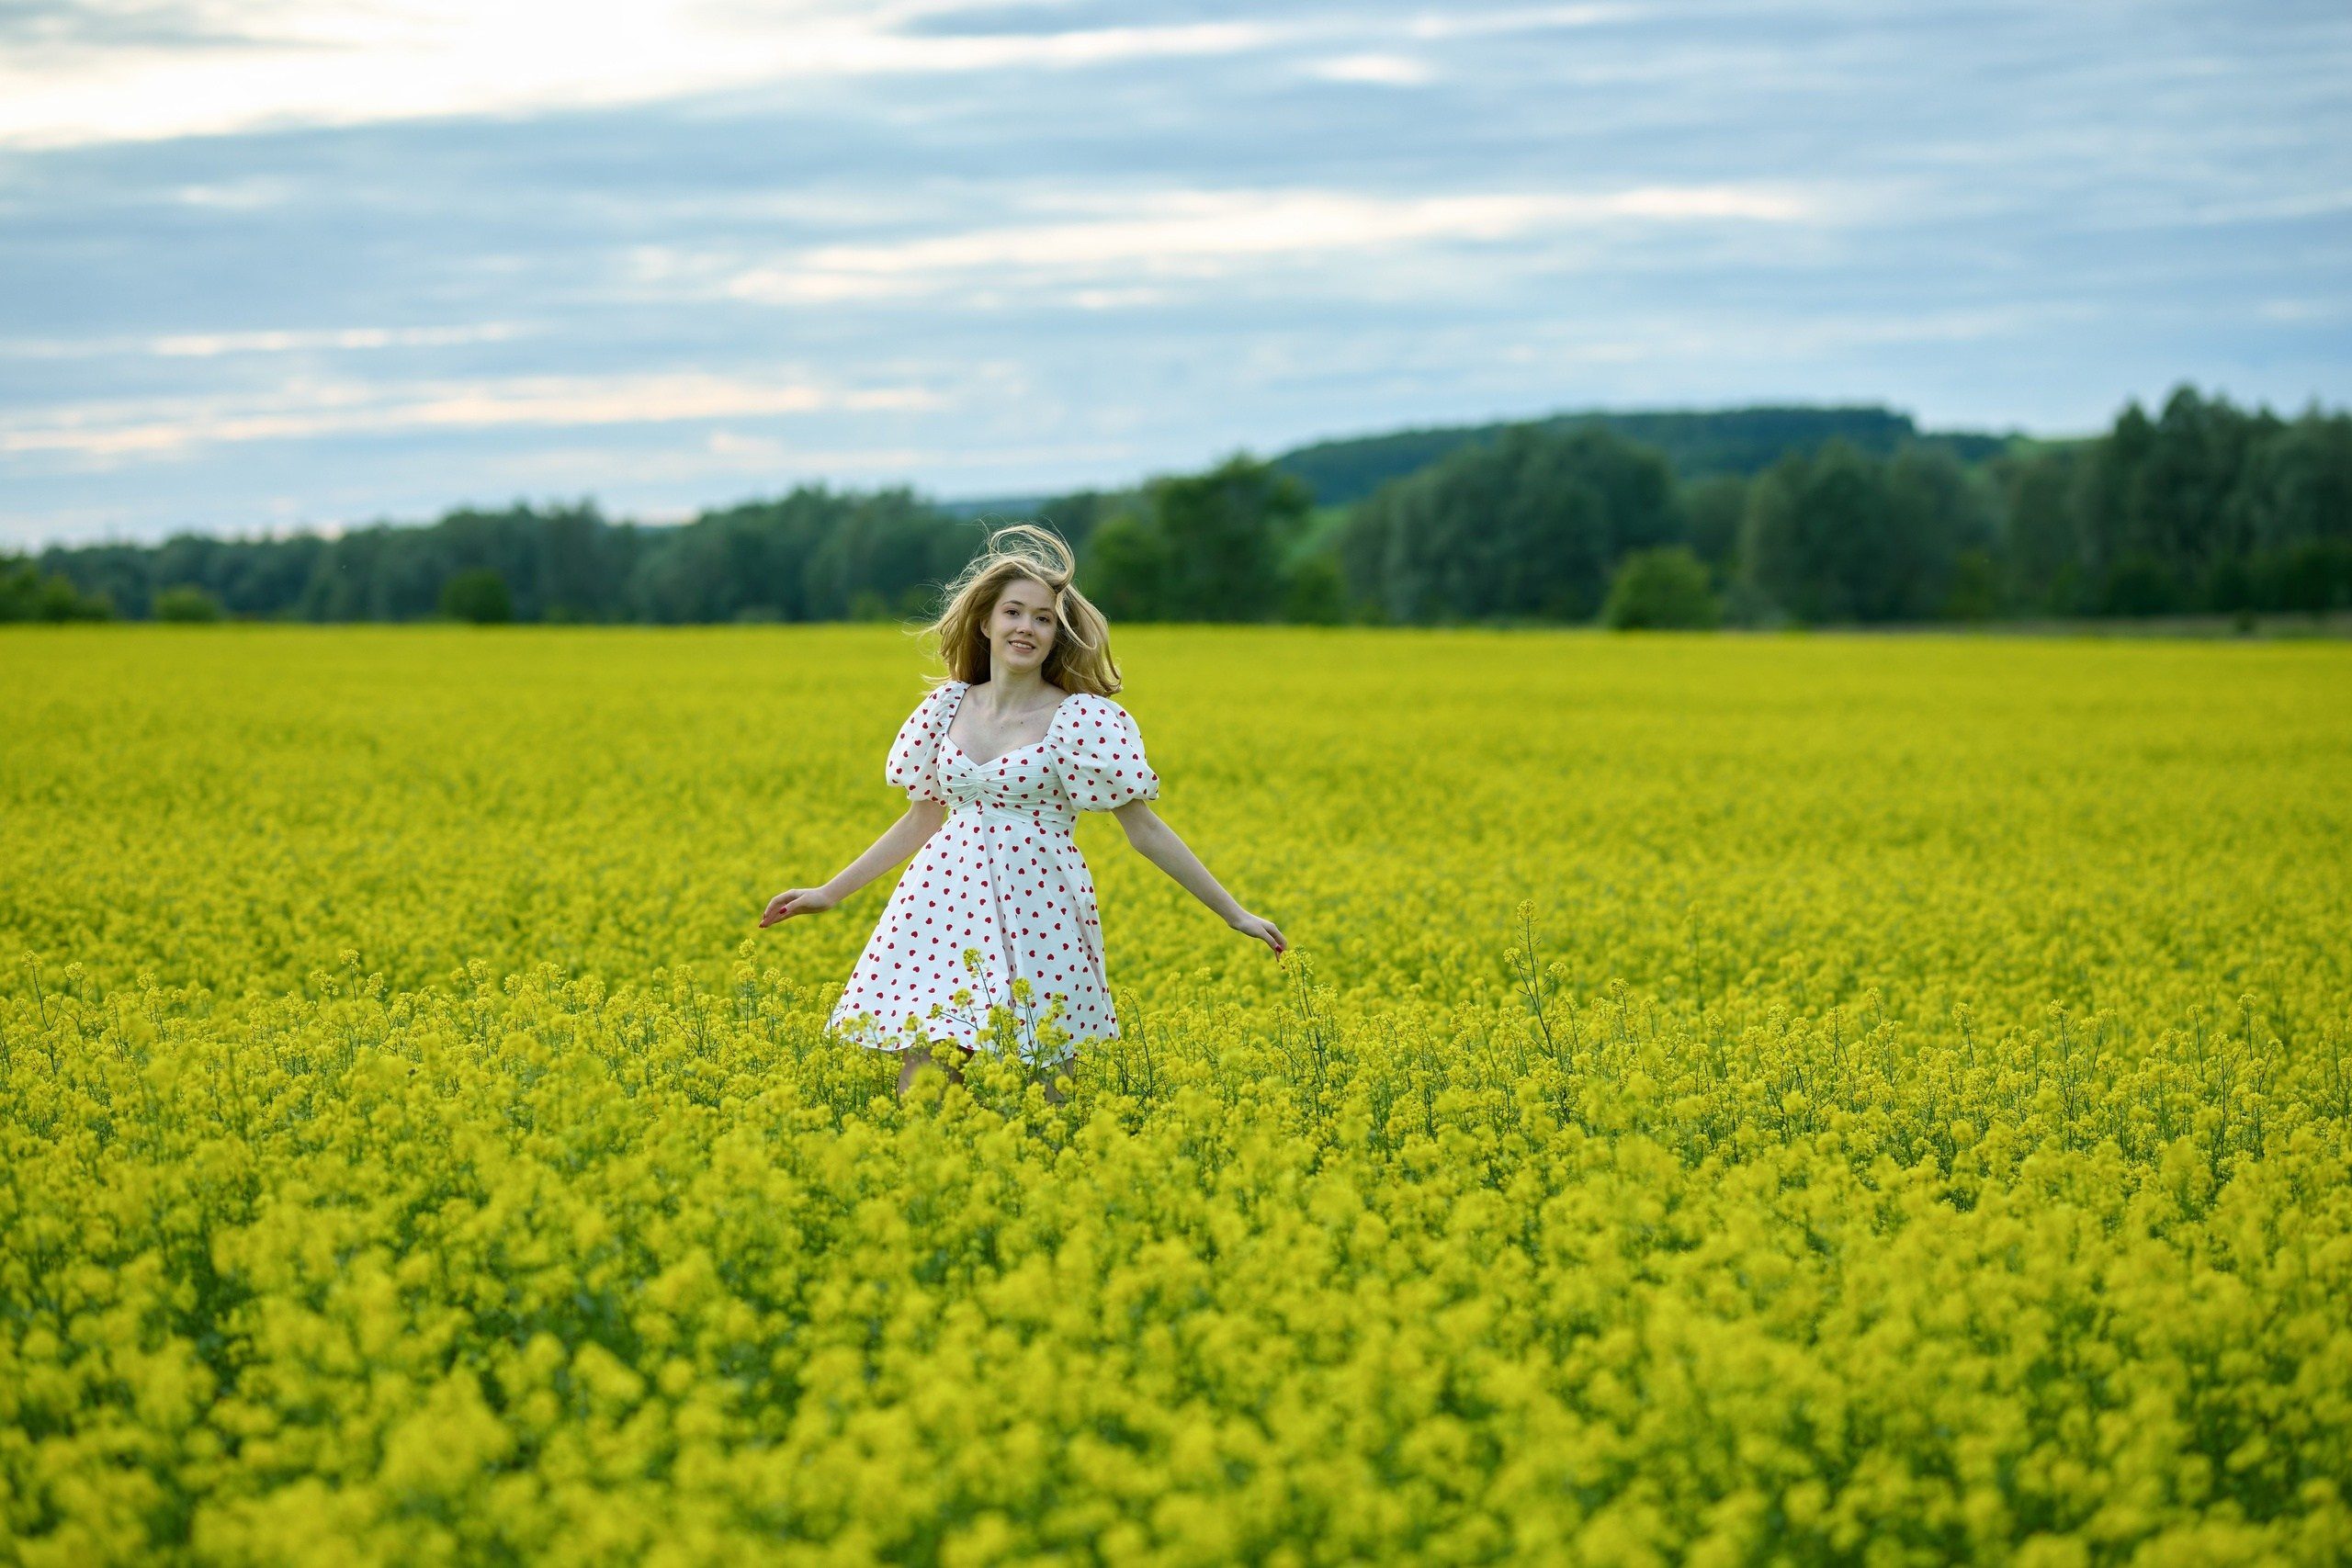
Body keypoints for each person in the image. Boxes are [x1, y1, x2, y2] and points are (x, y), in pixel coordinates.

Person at [760, 525, 1285, 1094]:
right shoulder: (944, 708)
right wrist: (829, 893)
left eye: (1043, 619)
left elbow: (1146, 831)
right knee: (926, 1077)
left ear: (1057, 636)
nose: (1026, 628)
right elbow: (920, 821)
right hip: (941, 903)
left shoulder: (1080, 719)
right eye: (1013, 612)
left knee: (1048, 1080)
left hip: (1039, 905)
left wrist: (1234, 913)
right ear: (986, 622)